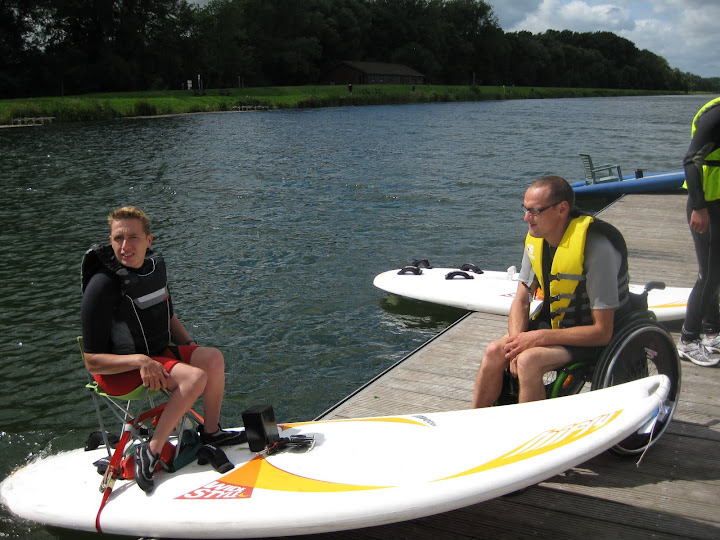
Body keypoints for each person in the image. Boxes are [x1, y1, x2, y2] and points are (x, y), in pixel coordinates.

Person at [81, 206, 246, 493]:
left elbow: (168, 317)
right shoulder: (102, 285)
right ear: (110, 240)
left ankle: (211, 433)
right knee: (194, 378)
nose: (125, 246)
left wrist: (190, 346)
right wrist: (140, 361)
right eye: (118, 238)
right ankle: (151, 451)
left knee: (212, 358)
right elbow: (92, 362)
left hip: (154, 357)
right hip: (118, 372)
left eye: (133, 237)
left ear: (149, 240)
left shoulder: (153, 270)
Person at [472, 176, 632, 407]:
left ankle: (532, 428)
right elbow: (521, 301)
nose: (526, 218)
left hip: (593, 336)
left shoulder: (596, 247)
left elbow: (602, 332)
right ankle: (475, 417)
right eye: (525, 209)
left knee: (528, 361)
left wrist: (538, 338)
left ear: (562, 209)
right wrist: (516, 344)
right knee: (494, 351)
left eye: (535, 211)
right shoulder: (537, 238)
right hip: (556, 326)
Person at [677, 97, 720, 367]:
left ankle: (712, 332)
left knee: (716, 273)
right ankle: (688, 339)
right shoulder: (716, 116)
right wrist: (698, 207)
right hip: (707, 205)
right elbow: (691, 160)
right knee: (709, 275)